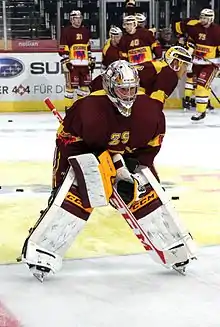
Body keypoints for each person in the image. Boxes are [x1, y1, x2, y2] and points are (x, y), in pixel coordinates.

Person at [20, 60, 195, 281]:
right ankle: (44, 251)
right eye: (123, 89)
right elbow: (65, 141)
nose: (128, 95)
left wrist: (134, 161)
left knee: (144, 195)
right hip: (90, 155)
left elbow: (153, 143)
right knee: (75, 199)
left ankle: (173, 247)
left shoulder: (149, 111)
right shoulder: (87, 109)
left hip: (130, 157)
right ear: (110, 88)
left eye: (132, 89)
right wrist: (65, 178)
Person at [90, 46, 192, 106]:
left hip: (102, 84)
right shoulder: (169, 74)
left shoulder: (160, 67)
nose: (186, 69)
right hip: (108, 90)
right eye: (185, 65)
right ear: (176, 63)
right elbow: (154, 105)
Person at [175, 8, 220, 121]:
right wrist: (187, 47)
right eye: (201, 17)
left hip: (211, 64)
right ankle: (204, 105)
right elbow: (191, 41)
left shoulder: (217, 31)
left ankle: (201, 112)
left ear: (211, 19)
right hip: (196, 62)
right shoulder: (195, 27)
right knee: (199, 86)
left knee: (201, 87)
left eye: (205, 18)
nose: (202, 19)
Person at [59, 10, 94, 111]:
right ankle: (68, 109)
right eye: (76, 19)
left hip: (84, 65)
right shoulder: (66, 31)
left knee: (84, 89)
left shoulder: (86, 31)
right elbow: (63, 48)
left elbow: (88, 48)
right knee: (70, 88)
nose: (78, 21)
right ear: (71, 19)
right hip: (73, 65)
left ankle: (82, 109)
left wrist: (91, 60)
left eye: (80, 18)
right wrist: (66, 62)